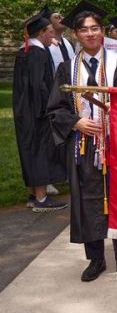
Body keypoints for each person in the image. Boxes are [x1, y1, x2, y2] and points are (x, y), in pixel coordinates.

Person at [47, 0, 117, 282]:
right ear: (75, 35)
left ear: (102, 31)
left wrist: (115, 115)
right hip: (83, 148)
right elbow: (55, 108)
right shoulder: (67, 69)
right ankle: (96, 259)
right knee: (87, 202)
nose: (90, 34)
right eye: (84, 30)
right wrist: (76, 122)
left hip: (115, 146)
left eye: (95, 28)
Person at [13, 12, 68, 212]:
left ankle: (32, 195)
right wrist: (49, 108)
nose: (53, 37)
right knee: (40, 152)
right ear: (42, 32)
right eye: (50, 32)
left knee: (28, 150)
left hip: (23, 111)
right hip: (38, 112)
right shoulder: (39, 53)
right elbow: (40, 87)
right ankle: (41, 199)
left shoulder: (24, 52)